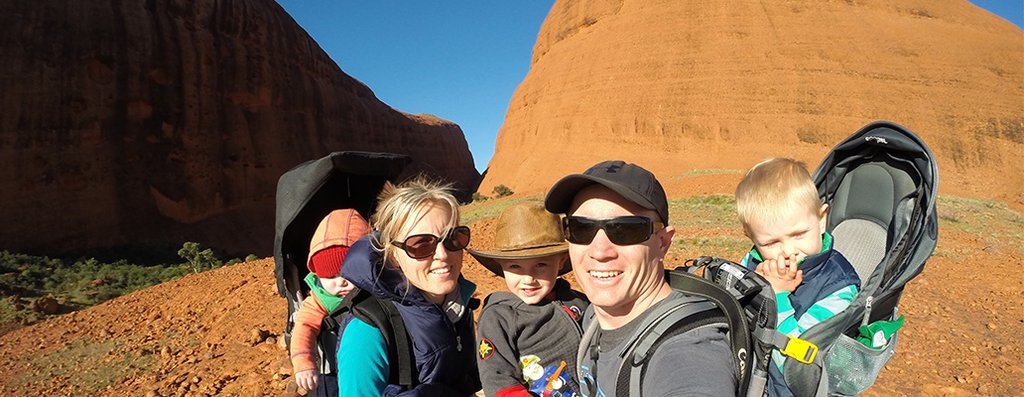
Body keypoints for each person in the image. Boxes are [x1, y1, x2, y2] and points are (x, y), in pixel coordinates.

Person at [544, 160, 737, 396]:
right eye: (581, 228)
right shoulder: (593, 316)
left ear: (663, 243)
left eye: (625, 230)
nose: (600, 251)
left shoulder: (687, 349)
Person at [336, 177, 481, 396]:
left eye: (453, 238)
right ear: (393, 254)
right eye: (421, 243)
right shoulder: (367, 331)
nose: (443, 255)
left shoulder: (459, 304)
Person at [735, 157, 860, 397]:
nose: (788, 250)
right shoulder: (753, 262)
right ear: (751, 237)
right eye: (771, 242)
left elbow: (798, 364)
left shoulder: (837, 287)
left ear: (821, 219)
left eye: (799, 234)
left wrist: (777, 295)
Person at [467, 202, 589, 397]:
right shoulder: (500, 317)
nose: (528, 279)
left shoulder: (580, 302)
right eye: (515, 266)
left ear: (561, 261)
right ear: (501, 265)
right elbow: (499, 379)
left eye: (540, 265)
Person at [290, 209, 370, 395]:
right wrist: (303, 363)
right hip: (334, 372)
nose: (341, 281)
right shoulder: (319, 299)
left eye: (347, 273)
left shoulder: (379, 288)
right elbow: (304, 327)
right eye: (330, 276)